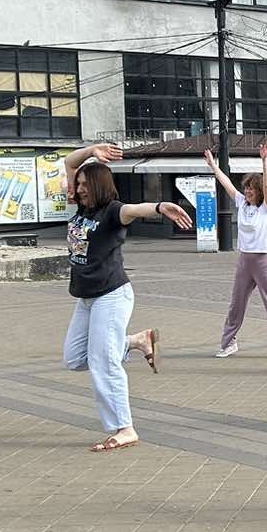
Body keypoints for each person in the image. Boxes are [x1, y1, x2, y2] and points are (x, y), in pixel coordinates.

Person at [62, 143, 194, 451]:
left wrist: (160, 207)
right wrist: (91, 150)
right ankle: (137, 341)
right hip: (86, 298)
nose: (78, 189)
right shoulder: (81, 208)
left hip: (111, 295)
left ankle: (124, 428)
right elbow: (69, 161)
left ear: (97, 185)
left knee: (103, 361)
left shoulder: (112, 211)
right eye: (77, 184)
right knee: (75, 358)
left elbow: (134, 210)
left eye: (84, 184)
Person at [204, 142, 267, 362]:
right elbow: (226, 183)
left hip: (264, 260)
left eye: (251, 188)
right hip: (244, 261)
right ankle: (229, 343)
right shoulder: (242, 203)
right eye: (246, 187)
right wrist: (213, 166)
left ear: (258, 191)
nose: (247, 191)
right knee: (236, 304)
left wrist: (264, 161)